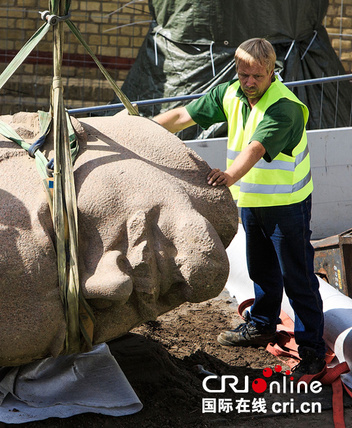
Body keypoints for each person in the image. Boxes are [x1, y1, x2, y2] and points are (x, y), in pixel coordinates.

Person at [153, 38, 326, 379]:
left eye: (256, 76)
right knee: (260, 268)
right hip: (253, 200)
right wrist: (138, 130)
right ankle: (262, 325)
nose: (248, 83)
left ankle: (312, 351)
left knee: (298, 277)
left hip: (286, 205)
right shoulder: (231, 93)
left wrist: (229, 175)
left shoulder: (284, 107)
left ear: (271, 72)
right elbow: (181, 115)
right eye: (243, 74)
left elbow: (256, 147)